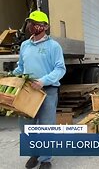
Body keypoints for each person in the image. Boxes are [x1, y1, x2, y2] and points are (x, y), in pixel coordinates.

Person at [12, 10, 66, 169]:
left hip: (47, 91)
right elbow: (20, 67)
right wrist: (10, 76)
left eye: (35, 23)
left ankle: (45, 159)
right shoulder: (25, 45)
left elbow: (60, 69)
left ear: (45, 26)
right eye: (30, 22)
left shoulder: (53, 46)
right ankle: (34, 153)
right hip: (27, 90)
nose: (31, 26)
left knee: (46, 125)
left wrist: (43, 81)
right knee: (25, 125)